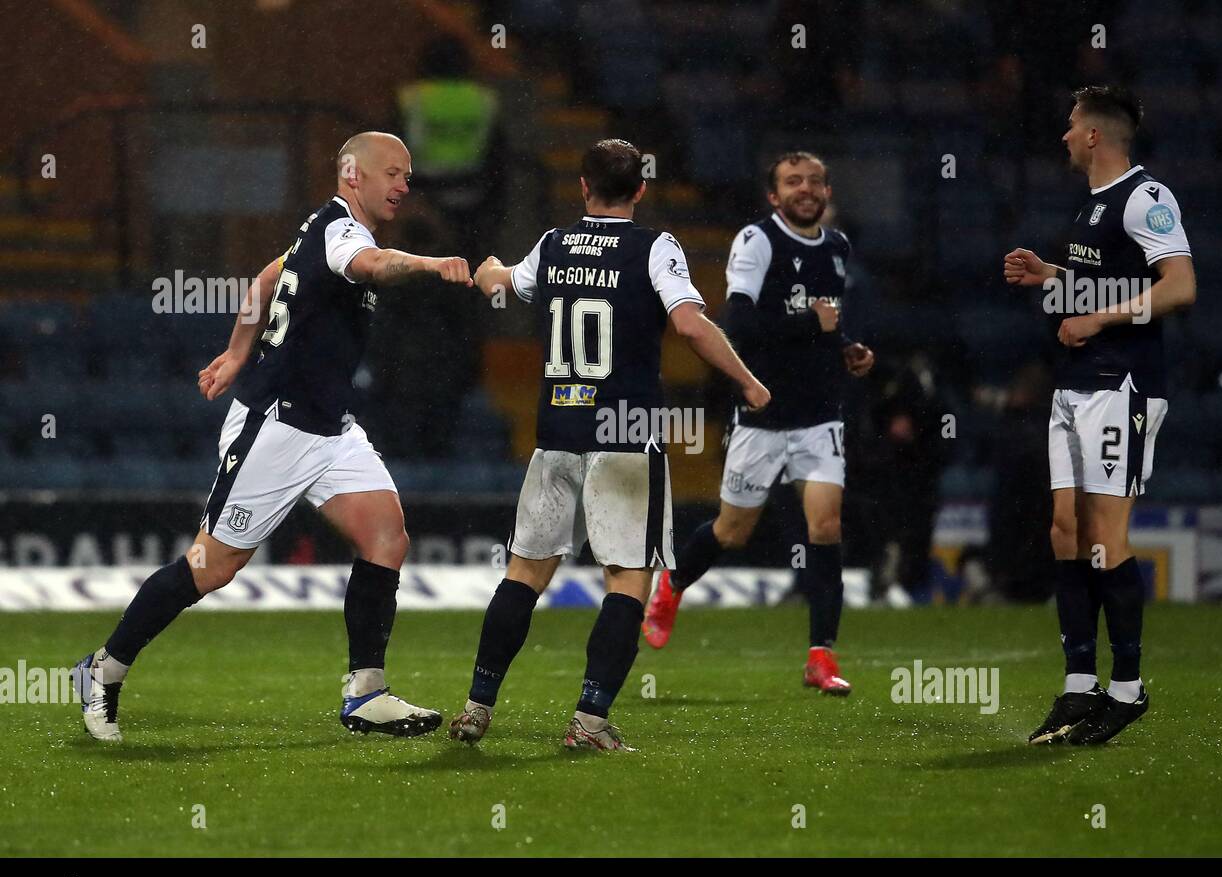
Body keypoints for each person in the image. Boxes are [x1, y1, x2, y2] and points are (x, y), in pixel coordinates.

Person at [71, 132, 474, 742]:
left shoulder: (321, 229)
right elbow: (371, 266)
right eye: (393, 173)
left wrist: (237, 353)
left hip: (329, 429)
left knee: (387, 537)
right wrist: (427, 264)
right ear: (352, 173)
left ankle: (365, 692)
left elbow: (264, 280)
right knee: (211, 566)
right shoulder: (342, 235)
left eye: (408, 176)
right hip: (277, 426)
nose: (403, 186)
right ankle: (100, 671)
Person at [446, 138, 769, 750]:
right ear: (641, 190)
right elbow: (689, 323)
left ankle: (475, 707)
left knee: (522, 575)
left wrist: (487, 270)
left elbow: (503, 283)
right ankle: (590, 722)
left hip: (558, 433)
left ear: (582, 186)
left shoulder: (554, 245)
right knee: (627, 580)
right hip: (625, 435)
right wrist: (748, 382)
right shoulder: (655, 248)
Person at [640, 151, 874, 695]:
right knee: (732, 530)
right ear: (774, 196)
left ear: (827, 191)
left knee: (826, 526)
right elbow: (739, 323)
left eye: (815, 180)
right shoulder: (757, 240)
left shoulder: (837, 248)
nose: (806, 189)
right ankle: (671, 586)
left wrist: (846, 348)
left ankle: (821, 656)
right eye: (793, 182)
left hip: (820, 415)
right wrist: (811, 323)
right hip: (762, 414)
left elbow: (822, 327)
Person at [1004, 85, 1196, 745]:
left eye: (1069, 124)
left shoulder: (1147, 198)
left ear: (1093, 136)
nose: (1062, 134)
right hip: (1076, 383)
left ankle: (1128, 688)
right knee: (1065, 530)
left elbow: (1179, 285)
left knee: (1105, 537)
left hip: (1123, 385)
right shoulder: (1092, 207)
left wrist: (1094, 316)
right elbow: (1109, 283)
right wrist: (1051, 276)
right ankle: (1079, 685)